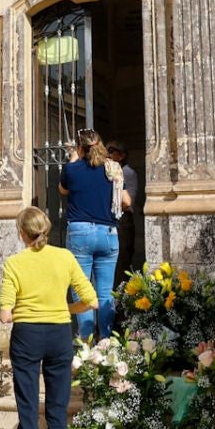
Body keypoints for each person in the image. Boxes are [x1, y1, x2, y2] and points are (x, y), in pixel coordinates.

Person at [0, 207, 96, 429]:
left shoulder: (14, 263)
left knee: (27, 414)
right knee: (56, 415)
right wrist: (67, 308)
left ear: (21, 233)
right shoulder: (64, 258)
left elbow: (4, 314)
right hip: (58, 335)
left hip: (27, 335)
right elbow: (91, 299)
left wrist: (18, 309)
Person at [59, 128, 120, 341]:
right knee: (105, 293)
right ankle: (105, 343)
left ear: (79, 147)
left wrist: (73, 159)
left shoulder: (72, 170)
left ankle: (85, 343)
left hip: (81, 232)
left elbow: (63, 190)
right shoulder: (111, 169)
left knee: (81, 290)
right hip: (108, 233)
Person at [107, 139, 140, 289]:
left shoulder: (128, 173)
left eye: (111, 150)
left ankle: (119, 304)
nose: (108, 154)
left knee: (121, 264)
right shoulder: (107, 172)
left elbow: (128, 202)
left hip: (123, 221)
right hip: (111, 220)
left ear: (121, 155)